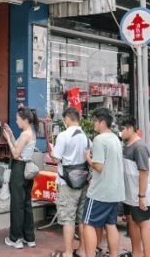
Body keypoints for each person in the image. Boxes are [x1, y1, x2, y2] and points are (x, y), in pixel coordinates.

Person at [49, 107, 91, 257]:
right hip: (83, 182)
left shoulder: (63, 135)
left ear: (67, 119)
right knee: (81, 218)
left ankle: (67, 253)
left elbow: (56, 158)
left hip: (67, 183)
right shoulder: (86, 136)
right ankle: (82, 250)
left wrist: (52, 151)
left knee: (68, 218)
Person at [83, 108, 125, 257]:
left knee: (88, 224)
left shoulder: (99, 139)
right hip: (115, 191)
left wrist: (88, 159)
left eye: (95, 121)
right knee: (111, 224)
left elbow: (99, 166)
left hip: (100, 192)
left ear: (101, 122)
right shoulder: (115, 138)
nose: (93, 124)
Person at [120, 116, 150, 257]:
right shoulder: (128, 145)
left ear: (130, 128)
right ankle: (136, 253)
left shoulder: (139, 146)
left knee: (143, 223)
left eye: (122, 129)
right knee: (132, 222)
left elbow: (144, 172)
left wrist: (142, 196)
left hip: (139, 194)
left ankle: (148, 254)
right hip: (131, 193)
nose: (121, 133)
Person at [1, 107, 37, 249]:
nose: (16, 121)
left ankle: (15, 238)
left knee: (17, 205)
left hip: (19, 169)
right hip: (28, 169)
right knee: (26, 204)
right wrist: (11, 134)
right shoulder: (31, 133)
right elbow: (20, 149)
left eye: (17, 118)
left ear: (25, 119)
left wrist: (8, 139)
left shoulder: (25, 134)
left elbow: (15, 154)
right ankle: (30, 238)